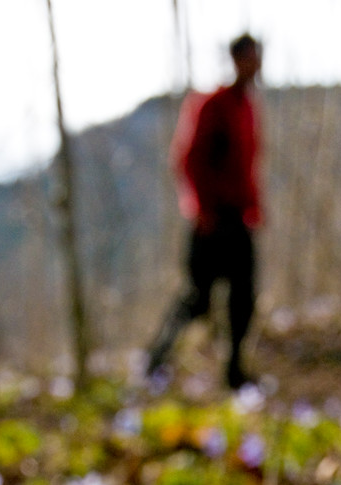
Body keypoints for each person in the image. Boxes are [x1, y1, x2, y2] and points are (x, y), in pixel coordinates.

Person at [146, 33, 263, 389]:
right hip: (213, 220)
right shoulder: (214, 105)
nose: (255, 65)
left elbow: (247, 165)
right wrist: (202, 210)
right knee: (197, 300)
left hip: (240, 217)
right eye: (249, 58)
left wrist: (255, 207)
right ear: (236, 60)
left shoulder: (247, 107)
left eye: (258, 58)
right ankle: (155, 362)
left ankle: (234, 372)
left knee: (243, 297)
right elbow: (189, 159)